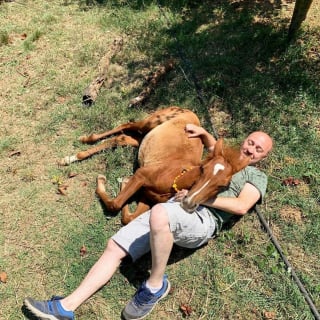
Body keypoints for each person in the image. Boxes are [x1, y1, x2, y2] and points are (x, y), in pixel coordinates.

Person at [23, 124, 273, 320]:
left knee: (159, 213)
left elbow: (241, 206)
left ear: (262, 158)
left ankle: (155, 286)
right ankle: (66, 307)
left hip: (202, 219)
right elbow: (212, 148)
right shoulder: (220, 161)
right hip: (172, 208)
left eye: (258, 149)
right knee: (114, 247)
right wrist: (204, 133)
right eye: (251, 142)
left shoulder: (255, 176)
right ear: (245, 141)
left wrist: (200, 199)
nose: (251, 149)